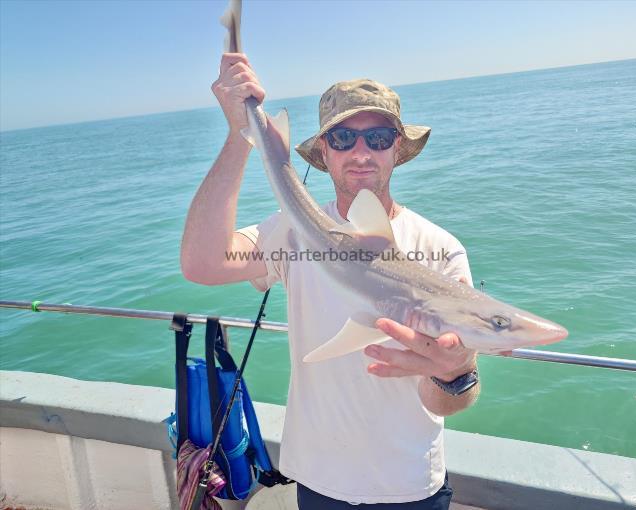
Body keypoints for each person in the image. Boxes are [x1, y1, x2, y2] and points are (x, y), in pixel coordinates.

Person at [180, 53, 480, 509]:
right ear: (323, 150)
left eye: (377, 137)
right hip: (320, 483)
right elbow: (202, 263)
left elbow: (446, 404)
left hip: (412, 485)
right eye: (343, 137)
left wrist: (454, 373)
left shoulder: (439, 249)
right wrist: (240, 134)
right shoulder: (291, 231)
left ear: (397, 148)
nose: (361, 152)